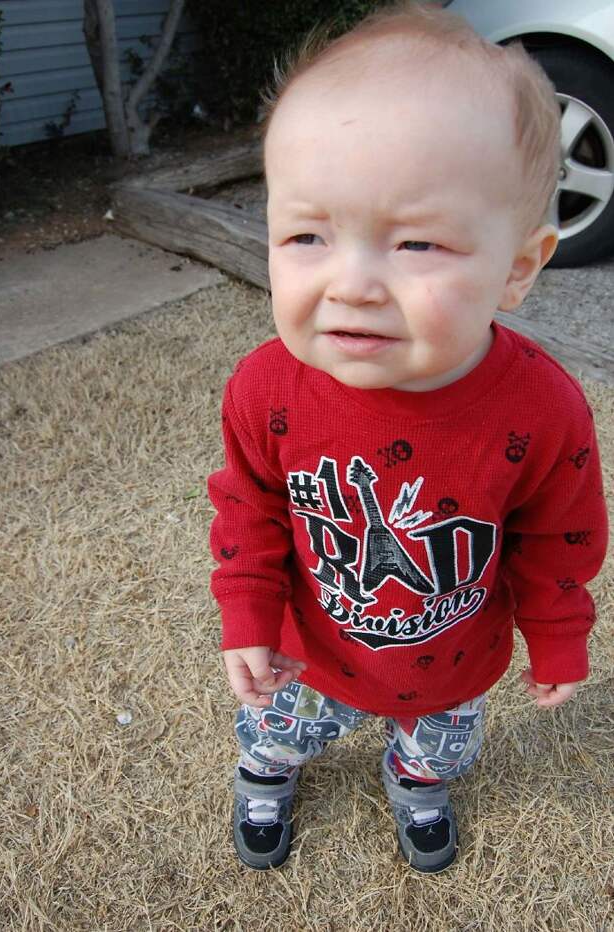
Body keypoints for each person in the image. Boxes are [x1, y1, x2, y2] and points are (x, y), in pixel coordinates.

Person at [207, 0, 608, 874]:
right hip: (307, 653)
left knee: (441, 745)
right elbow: (248, 506)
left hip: (454, 658)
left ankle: (417, 781)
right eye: (308, 234)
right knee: (275, 730)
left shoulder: (542, 408)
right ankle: (264, 774)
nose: (352, 284)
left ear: (518, 267)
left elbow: (558, 535)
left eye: (417, 242)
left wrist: (559, 630)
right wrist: (247, 610)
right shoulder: (267, 388)